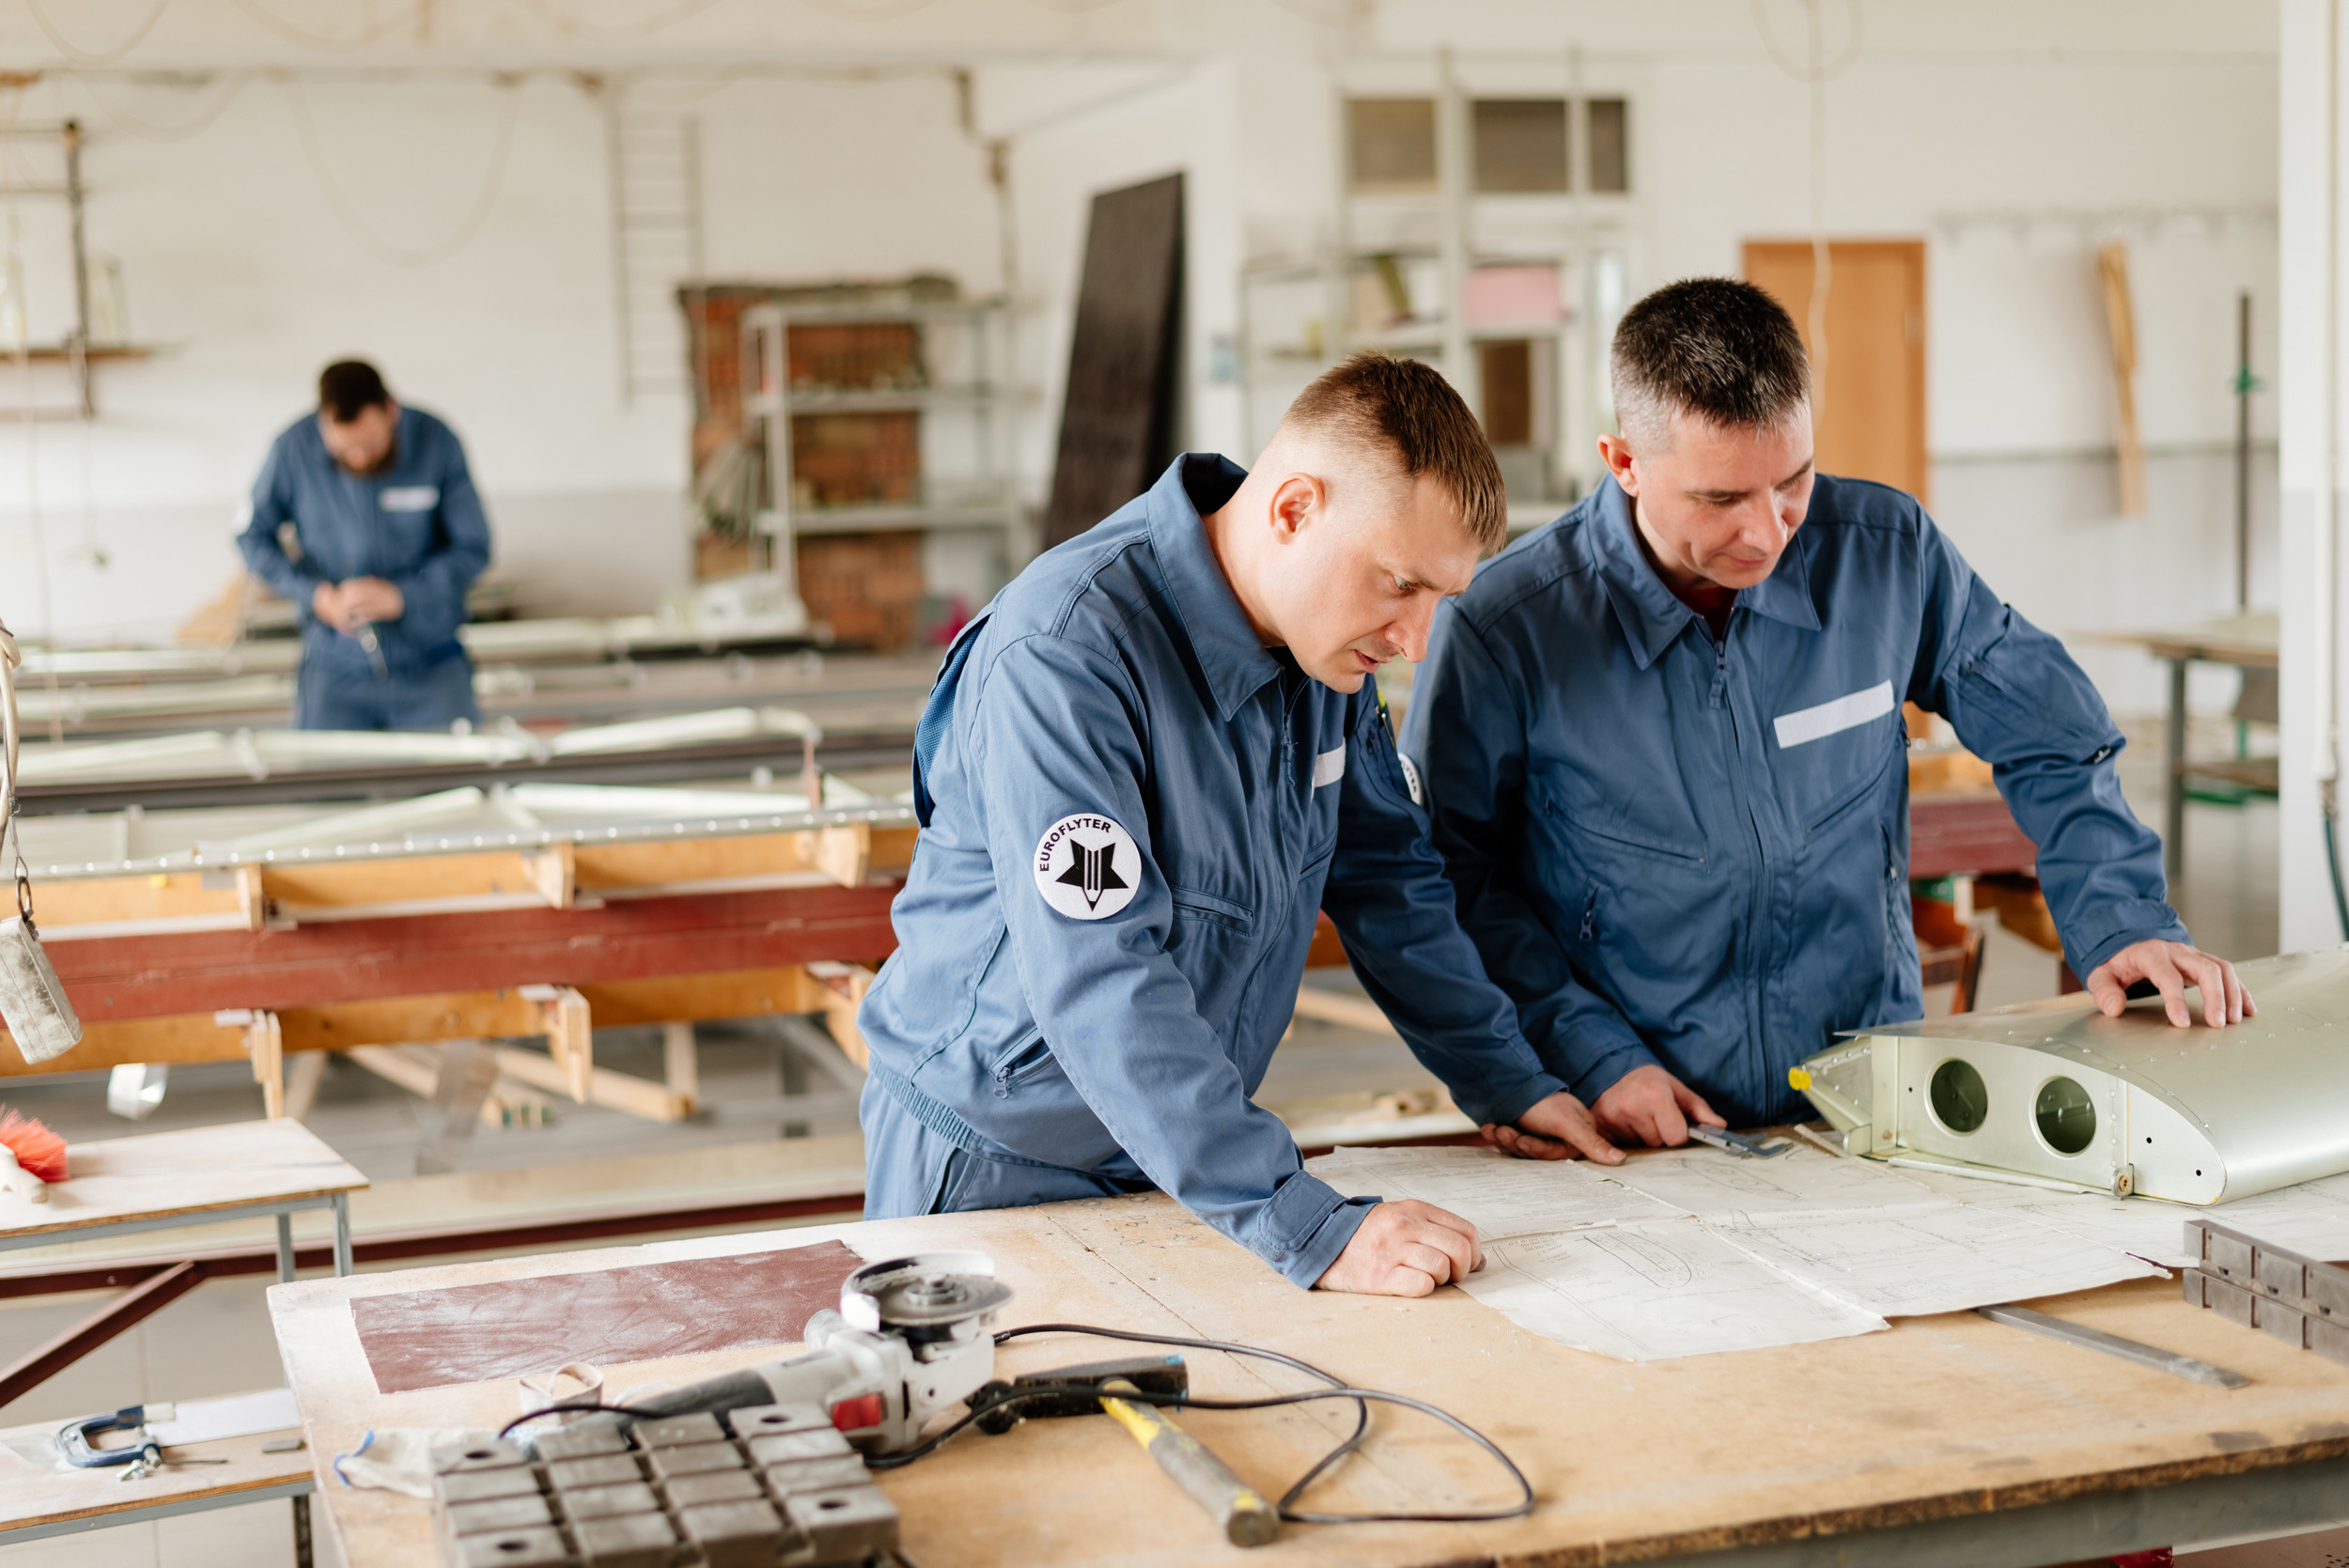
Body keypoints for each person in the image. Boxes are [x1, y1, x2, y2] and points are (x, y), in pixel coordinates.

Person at [1402, 278, 2253, 1156]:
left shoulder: (1886, 554)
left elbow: (2053, 731)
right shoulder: (1505, 629)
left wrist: (2122, 916)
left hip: (1874, 1101)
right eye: (1720, 499)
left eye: (1792, 482)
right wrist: (1589, 1056)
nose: (1768, 534)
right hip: (1646, 1124)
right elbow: (1452, 879)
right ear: (1624, 462)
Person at [857, 354, 1622, 1297]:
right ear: (1293, 509)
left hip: (1174, 1150)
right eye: (1398, 585)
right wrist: (1303, 1221)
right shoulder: (1066, 653)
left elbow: (1389, 880)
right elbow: (1099, 974)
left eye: (1440, 599)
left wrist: (1509, 1078)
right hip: (998, 1162)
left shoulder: (1324, 651)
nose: (1416, 642)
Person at [237, 360, 491, 731]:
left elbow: (473, 548)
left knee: (450, 768)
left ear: (391, 411)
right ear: (323, 423)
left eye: (370, 446)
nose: (358, 458)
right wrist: (317, 596)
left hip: (430, 665)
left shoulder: (437, 442)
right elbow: (251, 537)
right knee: (326, 770)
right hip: (333, 671)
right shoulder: (292, 450)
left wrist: (404, 596)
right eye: (343, 451)